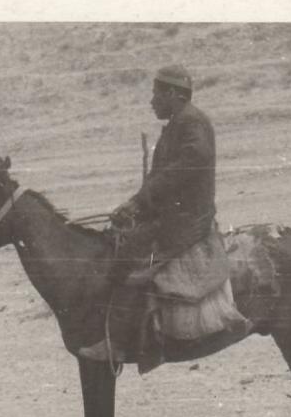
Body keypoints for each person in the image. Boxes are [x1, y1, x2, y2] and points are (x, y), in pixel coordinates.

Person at [80, 64, 242, 364]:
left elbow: (186, 166)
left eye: (156, 93)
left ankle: (117, 342)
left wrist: (140, 201)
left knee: (125, 255)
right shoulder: (180, 124)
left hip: (185, 221)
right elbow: (165, 178)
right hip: (171, 215)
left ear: (172, 94)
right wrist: (137, 205)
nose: (152, 101)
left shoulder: (192, 123)